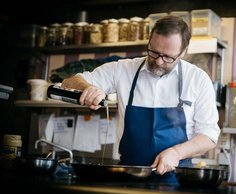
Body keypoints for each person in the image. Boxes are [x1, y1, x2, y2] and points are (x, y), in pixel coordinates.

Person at [62, 15, 220, 183]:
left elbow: (209, 135)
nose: (159, 62)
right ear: (149, 41)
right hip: (128, 177)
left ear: (183, 52)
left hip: (178, 179)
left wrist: (176, 152)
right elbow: (68, 82)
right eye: (153, 52)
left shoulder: (198, 79)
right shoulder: (122, 69)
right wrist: (87, 89)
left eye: (168, 57)